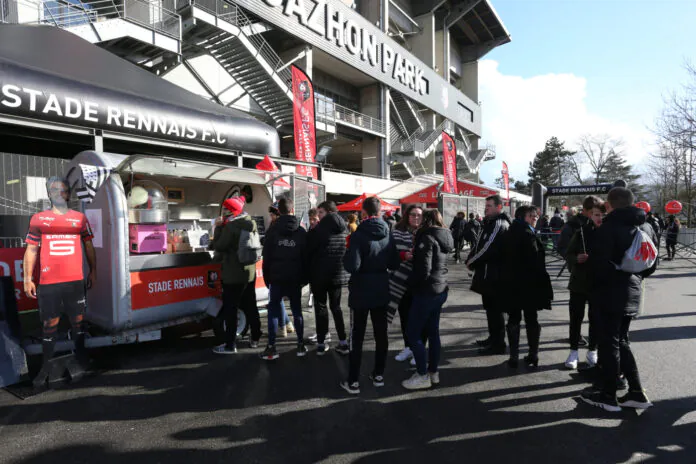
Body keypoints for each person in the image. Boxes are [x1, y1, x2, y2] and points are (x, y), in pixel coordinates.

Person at [581, 187, 657, 412]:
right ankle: (636, 392)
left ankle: (608, 395)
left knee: (609, 342)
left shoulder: (609, 228)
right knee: (622, 340)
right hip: (633, 290)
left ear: (609, 204)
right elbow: (652, 264)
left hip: (609, 292)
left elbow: (599, 266)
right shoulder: (645, 226)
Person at [23, 177, 97, 387]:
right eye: (54, 190)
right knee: (49, 326)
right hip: (49, 284)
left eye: (63, 190)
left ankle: (83, 361)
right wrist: (28, 278)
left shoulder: (80, 219)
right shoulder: (38, 219)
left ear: (69, 194)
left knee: (78, 324)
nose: (58, 193)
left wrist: (93, 271)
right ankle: (45, 367)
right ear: (49, 194)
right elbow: (31, 250)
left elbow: (89, 247)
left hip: (75, 282)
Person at [340, 196, 391, 394]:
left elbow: (352, 265)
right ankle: (379, 375)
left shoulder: (358, 235)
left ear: (363, 213)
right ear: (379, 212)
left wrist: (348, 254)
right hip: (381, 288)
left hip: (361, 290)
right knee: (381, 334)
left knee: (357, 336)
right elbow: (394, 262)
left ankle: (353, 381)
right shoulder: (388, 233)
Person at [401, 210, 453, 390]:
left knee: (413, 333)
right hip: (439, 288)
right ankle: (433, 372)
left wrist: (408, 283)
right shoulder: (443, 236)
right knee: (433, 332)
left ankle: (422, 374)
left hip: (427, 291)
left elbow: (423, 270)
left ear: (427, 221)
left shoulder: (427, 238)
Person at [501, 205, 553, 368]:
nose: (535, 218)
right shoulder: (527, 234)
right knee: (530, 318)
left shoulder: (510, 232)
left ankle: (515, 356)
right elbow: (535, 261)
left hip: (512, 284)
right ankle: (532, 354)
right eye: (532, 215)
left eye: (536, 215)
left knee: (514, 319)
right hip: (529, 285)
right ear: (522, 217)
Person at [212, 196, 262, 354]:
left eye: (226, 209)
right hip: (249, 272)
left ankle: (229, 344)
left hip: (233, 274)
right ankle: (255, 338)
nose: (224, 212)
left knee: (230, 309)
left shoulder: (231, 226)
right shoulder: (250, 222)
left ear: (231, 210)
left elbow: (219, 245)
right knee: (251, 305)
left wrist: (218, 227)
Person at [260, 197, 308, 360]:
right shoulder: (300, 231)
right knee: (297, 311)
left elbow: (266, 257)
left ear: (279, 211)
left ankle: (272, 347)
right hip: (295, 278)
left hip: (277, 277)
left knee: (273, 311)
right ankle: (300, 344)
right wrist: (303, 279)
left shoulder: (272, 231)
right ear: (292, 209)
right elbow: (306, 258)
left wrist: (268, 279)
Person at [466, 194, 511, 355]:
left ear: (499, 207)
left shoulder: (499, 224)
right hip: (487, 274)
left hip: (496, 277)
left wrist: (471, 261)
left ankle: (498, 344)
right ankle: (493, 338)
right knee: (490, 310)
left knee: (496, 311)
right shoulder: (490, 223)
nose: (486, 209)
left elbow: (488, 248)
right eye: (486, 206)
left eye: (489, 206)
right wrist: (471, 257)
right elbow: (479, 244)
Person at [564, 197, 604, 370]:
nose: (599, 218)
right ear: (589, 215)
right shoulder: (581, 232)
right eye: (595, 214)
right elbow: (568, 253)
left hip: (599, 284)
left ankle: (592, 351)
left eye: (602, 214)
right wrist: (576, 258)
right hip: (579, 283)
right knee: (576, 318)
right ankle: (573, 352)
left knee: (595, 319)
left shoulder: (608, 233)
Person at [307, 201, 350, 356]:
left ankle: (321, 342)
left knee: (321, 308)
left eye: (321, 212)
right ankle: (343, 341)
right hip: (337, 274)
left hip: (319, 275)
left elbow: (309, 252)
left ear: (328, 212)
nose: (318, 215)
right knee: (336, 307)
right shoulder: (344, 228)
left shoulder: (318, 230)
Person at [388, 204, 423, 365]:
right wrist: (403, 255)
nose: (416, 217)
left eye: (419, 215)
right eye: (413, 214)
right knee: (404, 318)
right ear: (407, 216)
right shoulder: (396, 232)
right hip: (400, 282)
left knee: (419, 319)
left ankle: (418, 350)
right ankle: (408, 346)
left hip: (420, 282)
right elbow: (389, 253)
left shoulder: (425, 232)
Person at [267, 203, 294, 337]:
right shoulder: (292, 227)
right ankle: (288, 324)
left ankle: (282, 326)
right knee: (279, 300)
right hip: (288, 270)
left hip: (277, 270)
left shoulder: (275, 228)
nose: (270, 217)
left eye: (272, 215)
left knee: (275, 301)